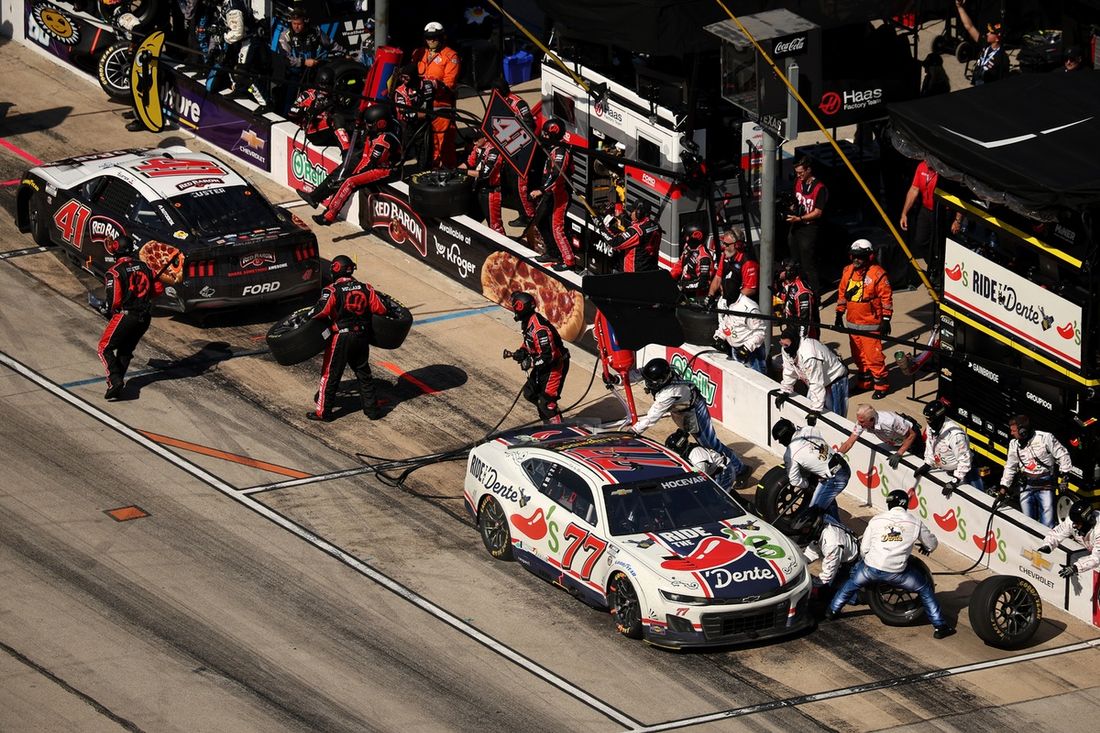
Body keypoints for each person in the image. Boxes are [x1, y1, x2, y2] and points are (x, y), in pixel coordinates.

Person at [827, 489, 956, 639]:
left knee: (850, 585)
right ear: (905, 504)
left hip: (870, 568)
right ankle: (940, 626)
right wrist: (926, 548)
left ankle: (832, 611)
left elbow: (864, 549)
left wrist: (870, 561)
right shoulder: (915, 522)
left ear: (890, 504)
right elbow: (932, 544)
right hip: (897, 572)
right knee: (925, 588)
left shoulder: (876, 520)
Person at [632, 357, 751, 492]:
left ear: (662, 380)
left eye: (651, 381)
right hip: (681, 410)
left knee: (710, 444)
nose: (648, 383)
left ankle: (741, 469)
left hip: (695, 410)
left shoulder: (670, 392)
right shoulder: (664, 372)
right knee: (702, 444)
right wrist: (617, 379)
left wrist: (634, 430)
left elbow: (652, 417)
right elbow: (641, 373)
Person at [305, 255, 388, 421]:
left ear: (335, 269)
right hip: (362, 336)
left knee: (330, 375)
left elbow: (320, 312)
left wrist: (307, 316)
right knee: (364, 374)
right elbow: (381, 309)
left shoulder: (332, 290)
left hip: (341, 337)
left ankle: (324, 413)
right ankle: (372, 411)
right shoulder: (367, 288)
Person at [307, 103, 401, 226]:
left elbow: (371, 165)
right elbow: (365, 157)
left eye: (370, 125)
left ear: (381, 124)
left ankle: (328, 216)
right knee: (347, 179)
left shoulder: (383, 142)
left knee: (349, 182)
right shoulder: (381, 130)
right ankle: (328, 213)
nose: (367, 127)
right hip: (375, 164)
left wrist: (351, 177)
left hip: (386, 170)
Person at [97, 236, 164, 400]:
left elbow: (114, 301)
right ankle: (117, 384)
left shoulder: (114, 272)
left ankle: (114, 379)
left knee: (104, 348)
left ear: (115, 249)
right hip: (145, 317)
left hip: (126, 316)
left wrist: (106, 307)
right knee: (125, 350)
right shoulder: (146, 267)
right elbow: (158, 290)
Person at [835, 239, 893, 399]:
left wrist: (886, 320)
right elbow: (842, 293)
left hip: (871, 325)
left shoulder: (878, 274)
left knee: (874, 356)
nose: (856, 260)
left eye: (860, 256)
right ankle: (865, 383)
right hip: (853, 323)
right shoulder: (848, 271)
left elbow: (886, 298)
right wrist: (839, 313)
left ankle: (881, 385)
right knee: (858, 356)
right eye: (854, 256)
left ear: (869, 257)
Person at [771, 417, 851, 528]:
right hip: (843, 466)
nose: (780, 442)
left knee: (814, 512)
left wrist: (807, 484)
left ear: (785, 436)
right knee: (826, 499)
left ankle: (840, 532)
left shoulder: (790, 454)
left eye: (780, 439)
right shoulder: (809, 430)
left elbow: (794, 481)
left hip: (834, 478)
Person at [996, 414, 1073, 528]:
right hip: (1026, 485)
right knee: (1027, 521)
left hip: (1045, 485)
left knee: (1047, 523)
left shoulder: (1045, 438)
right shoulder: (1014, 445)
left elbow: (1063, 454)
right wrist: (1004, 488)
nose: (1011, 433)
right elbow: (1010, 467)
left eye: (1014, 431)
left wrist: (1065, 476)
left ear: (1023, 431)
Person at [506, 291, 569, 423]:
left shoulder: (540, 330)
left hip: (555, 365)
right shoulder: (528, 321)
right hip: (544, 364)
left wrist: (530, 362)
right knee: (530, 392)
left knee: (545, 401)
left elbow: (548, 357)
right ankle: (548, 421)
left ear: (521, 307)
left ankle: (558, 428)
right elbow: (530, 342)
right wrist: (522, 351)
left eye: (515, 306)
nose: (513, 309)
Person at [530, 118, 579, 272]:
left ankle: (569, 261)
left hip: (560, 195)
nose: (543, 136)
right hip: (551, 193)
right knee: (540, 220)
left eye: (546, 134)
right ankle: (552, 252)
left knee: (557, 228)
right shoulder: (554, 147)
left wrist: (542, 190)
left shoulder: (560, 151)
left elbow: (557, 174)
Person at [276, 9, 347, 114]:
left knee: (316, 99)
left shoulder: (315, 31)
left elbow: (331, 44)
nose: (296, 26)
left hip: (313, 73)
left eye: (299, 24)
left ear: (305, 22)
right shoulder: (285, 36)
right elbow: (286, 59)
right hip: (294, 75)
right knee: (290, 101)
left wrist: (345, 54)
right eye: (294, 23)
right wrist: (303, 62)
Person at [411, 21, 460, 168]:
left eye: (435, 37)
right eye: (428, 37)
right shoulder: (418, 53)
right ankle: (426, 168)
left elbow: (450, 83)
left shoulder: (451, 56)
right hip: (420, 105)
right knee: (423, 142)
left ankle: (448, 171)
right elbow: (410, 74)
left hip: (441, 105)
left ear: (442, 37)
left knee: (444, 142)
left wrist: (434, 86)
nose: (431, 40)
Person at [205, 0, 269, 110]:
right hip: (239, 40)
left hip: (248, 39)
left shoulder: (233, 8)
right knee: (230, 62)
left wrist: (222, 36)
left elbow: (237, 33)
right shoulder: (223, 4)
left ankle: (266, 103)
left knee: (242, 71)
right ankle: (240, 90)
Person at [914, 399, 983, 496]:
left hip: (966, 474)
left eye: (930, 419)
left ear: (938, 417)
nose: (928, 422)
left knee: (978, 497)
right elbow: (930, 445)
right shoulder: (931, 427)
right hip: (946, 470)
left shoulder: (955, 435)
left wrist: (955, 480)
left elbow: (964, 460)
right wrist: (928, 463)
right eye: (926, 419)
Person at [776, 327, 849, 416]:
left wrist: (816, 410)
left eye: (786, 345)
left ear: (794, 341)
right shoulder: (786, 349)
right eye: (781, 344)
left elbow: (816, 381)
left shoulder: (809, 354)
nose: (784, 347)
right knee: (812, 405)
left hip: (835, 381)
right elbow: (789, 369)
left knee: (835, 416)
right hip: (817, 381)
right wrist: (786, 390)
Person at [785, 157, 827, 294]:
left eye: (801, 172)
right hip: (796, 224)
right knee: (793, 257)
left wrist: (800, 218)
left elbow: (818, 212)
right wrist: (791, 208)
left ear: (808, 170)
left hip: (809, 227)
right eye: (797, 173)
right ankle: (799, 288)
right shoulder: (798, 182)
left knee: (808, 263)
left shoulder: (819, 188)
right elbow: (795, 200)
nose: (798, 175)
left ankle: (815, 295)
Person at [837, 404, 923, 469]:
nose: (859, 424)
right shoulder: (862, 423)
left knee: (919, 459)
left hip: (911, 436)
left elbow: (912, 435)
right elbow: (849, 443)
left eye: (862, 421)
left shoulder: (890, 421)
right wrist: (837, 456)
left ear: (871, 420)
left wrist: (899, 453)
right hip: (895, 440)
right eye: (859, 420)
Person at [1036, 498, 1100, 580]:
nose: (1074, 525)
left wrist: (1075, 568)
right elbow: (1057, 533)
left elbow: (1096, 558)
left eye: (1077, 523)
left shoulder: (1098, 531)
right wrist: (1048, 544)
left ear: (1088, 521)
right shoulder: (1073, 520)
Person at [713, 276, 766, 374]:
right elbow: (724, 321)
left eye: (722, 289)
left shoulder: (749, 308)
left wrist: (746, 348)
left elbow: (760, 333)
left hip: (752, 353)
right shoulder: (722, 301)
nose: (720, 290)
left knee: (756, 381)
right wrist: (720, 336)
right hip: (734, 348)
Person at [803, 514, 861, 596]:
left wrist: (813, 584)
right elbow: (811, 552)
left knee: (837, 592)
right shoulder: (823, 528)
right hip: (843, 554)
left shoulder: (831, 544)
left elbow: (827, 574)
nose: (804, 532)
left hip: (851, 563)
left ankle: (860, 597)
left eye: (806, 530)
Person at [955, 2, 1009, 86]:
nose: (987, 33)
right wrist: (960, 7)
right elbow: (969, 26)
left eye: (990, 33)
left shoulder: (1002, 58)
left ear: (997, 38)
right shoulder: (985, 43)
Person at [605, 200, 662, 273]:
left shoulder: (637, 232)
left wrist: (601, 226)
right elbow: (634, 229)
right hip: (651, 271)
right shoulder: (657, 226)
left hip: (634, 275)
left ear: (639, 213)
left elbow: (615, 242)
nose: (630, 214)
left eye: (632, 211)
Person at [466, 136, 506, 234]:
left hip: (491, 193)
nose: (474, 143)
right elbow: (469, 163)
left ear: (484, 138)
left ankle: (503, 248)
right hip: (478, 190)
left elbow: (485, 174)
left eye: (476, 140)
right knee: (470, 220)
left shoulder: (494, 151)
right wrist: (453, 171)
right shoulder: (477, 148)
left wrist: (464, 172)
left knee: (495, 226)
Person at [899, 159, 937, 261]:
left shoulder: (944, 170)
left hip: (941, 212)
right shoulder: (921, 166)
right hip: (925, 209)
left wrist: (957, 220)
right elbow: (914, 189)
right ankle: (930, 262)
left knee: (938, 243)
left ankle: (937, 267)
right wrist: (904, 213)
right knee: (920, 240)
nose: (927, 159)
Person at [708, 227, 758, 302]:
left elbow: (750, 289)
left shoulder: (748, 261)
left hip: (745, 303)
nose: (724, 246)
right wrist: (710, 296)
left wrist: (731, 300)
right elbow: (718, 278)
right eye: (723, 243)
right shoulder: (725, 255)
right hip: (729, 301)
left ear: (738, 245)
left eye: (726, 244)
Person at [774, 259, 820, 339]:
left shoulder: (802, 292)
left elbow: (805, 321)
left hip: (807, 336)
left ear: (790, 272)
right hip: (792, 329)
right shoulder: (787, 285)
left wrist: (802, 341)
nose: (779, 272)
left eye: (782, 270)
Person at [669, 223, 712, 296]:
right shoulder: (688, 247)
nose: (685, 239)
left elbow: (703, 283)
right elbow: (679, 265)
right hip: (683, 289)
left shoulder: (704, 258)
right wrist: (668, 278)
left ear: (696, 237)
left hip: (696, 295)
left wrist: (684, 286)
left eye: (687, 236)